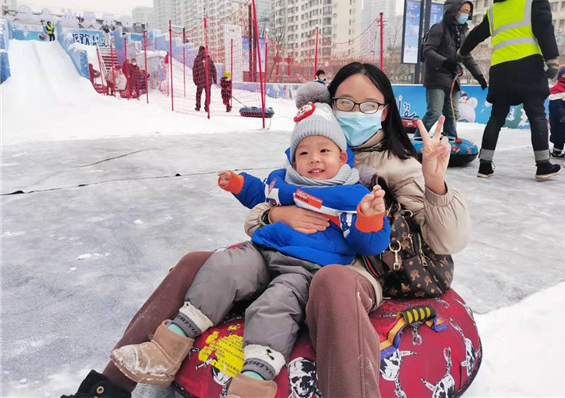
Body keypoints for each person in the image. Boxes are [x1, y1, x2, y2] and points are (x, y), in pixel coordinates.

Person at [62, 62, 470, 398]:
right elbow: (260, 207)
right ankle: (108, 387)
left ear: (383, 111)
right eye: (345, 102)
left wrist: (434, 181)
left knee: (331, 281)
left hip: (353, 266)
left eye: (367, 104)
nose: (354, 111)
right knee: (196, 262)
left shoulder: (398, 165)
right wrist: (277, 216)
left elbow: (447, 241)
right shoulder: (308, 150)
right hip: (286, 253)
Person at [104, 92, 392, 396]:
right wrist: (239, 184)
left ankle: (254, 378)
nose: (314, 159)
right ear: (293, 159)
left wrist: (370, 219)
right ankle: (168, 346)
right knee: (223, 268)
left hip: (306, 267)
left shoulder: (351, 194)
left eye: (324, 151)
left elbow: (370, 242)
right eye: (304, 153)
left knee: (275, 304)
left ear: (342, 157)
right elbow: (260, 193)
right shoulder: (284, 181)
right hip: (262, 252)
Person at [459, 0, 561, 180]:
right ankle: (543, 165)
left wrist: (463, 50)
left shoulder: (495, 8)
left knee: (496, 116)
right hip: (527, 65)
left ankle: (484, 166)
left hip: (500, 69)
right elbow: (545, 27)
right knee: (537, 115)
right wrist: (552, 59)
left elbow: (478, 32)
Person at [416, 0, 486, 140]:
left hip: (452, 79)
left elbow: (466, 55)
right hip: (436, 78)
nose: (467, 15)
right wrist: (445, 62)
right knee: (434, 112)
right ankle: (418, 138)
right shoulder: (438, 28)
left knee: (453, 113)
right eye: (464, 11)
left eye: (468, 12)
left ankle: (450, 138)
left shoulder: (462, 33)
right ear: (454, 11)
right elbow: (428, 51)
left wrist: (479, 76)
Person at [548, 67, 565, 157]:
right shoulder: (557, 89)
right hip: (560, 120)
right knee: (559, 136)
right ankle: (557, 151)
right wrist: (562, 115)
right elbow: (555, 105)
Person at [192, 46, 217, 112]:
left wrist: (195, 80)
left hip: (200, 80)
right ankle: (207, 107)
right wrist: (214, 79)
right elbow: (213, 69)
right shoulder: (209, 59)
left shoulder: (197, 59)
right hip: (208, 80)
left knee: (198, 94)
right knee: (208, 94)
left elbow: (194, 70)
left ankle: (198, 106)